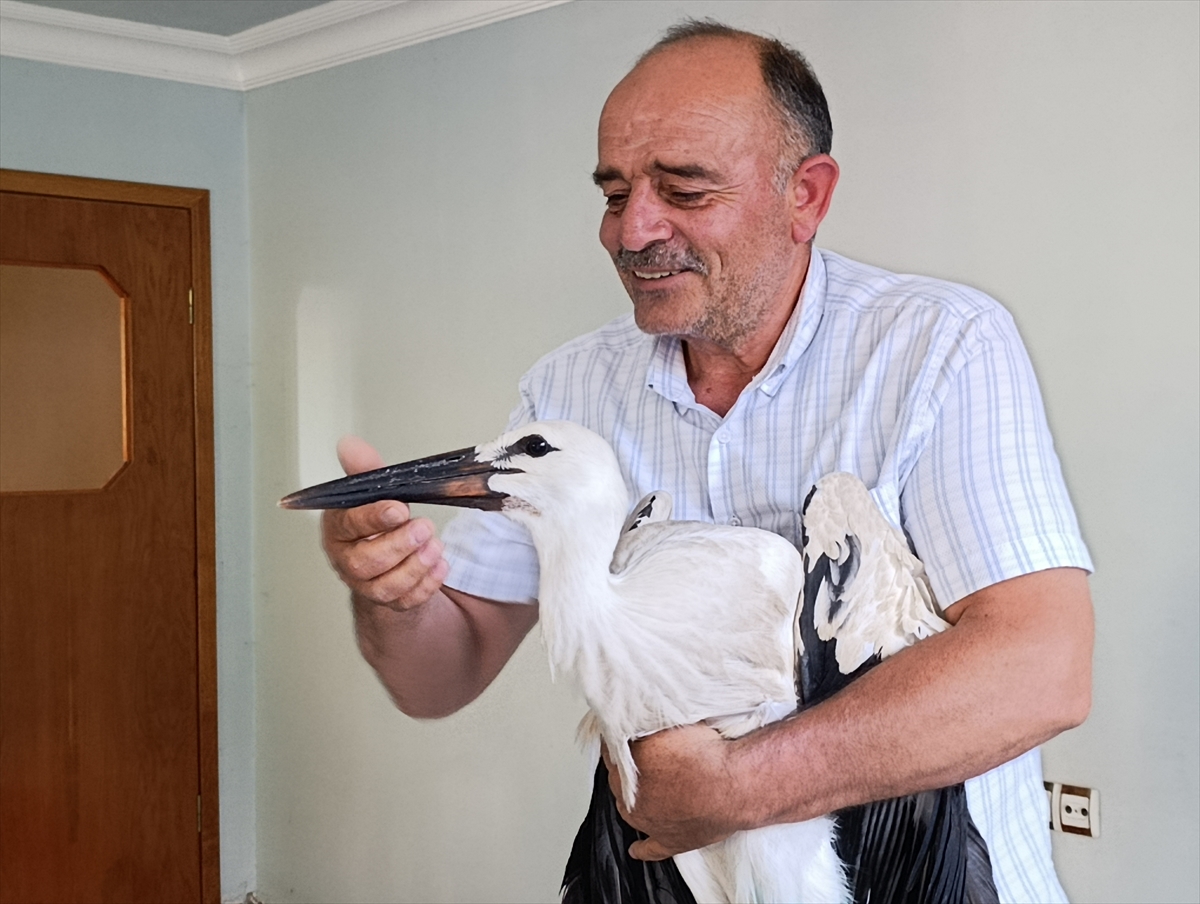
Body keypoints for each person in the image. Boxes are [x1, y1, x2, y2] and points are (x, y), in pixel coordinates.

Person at [323, 20, 1094, 901]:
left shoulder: (940, 348)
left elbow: (1042, 668)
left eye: (684, 190)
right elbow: (439, 677)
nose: (631, 230)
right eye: (615, 194)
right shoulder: (566, 390)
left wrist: (734, 789)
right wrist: (390, 597)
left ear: (806, 195)